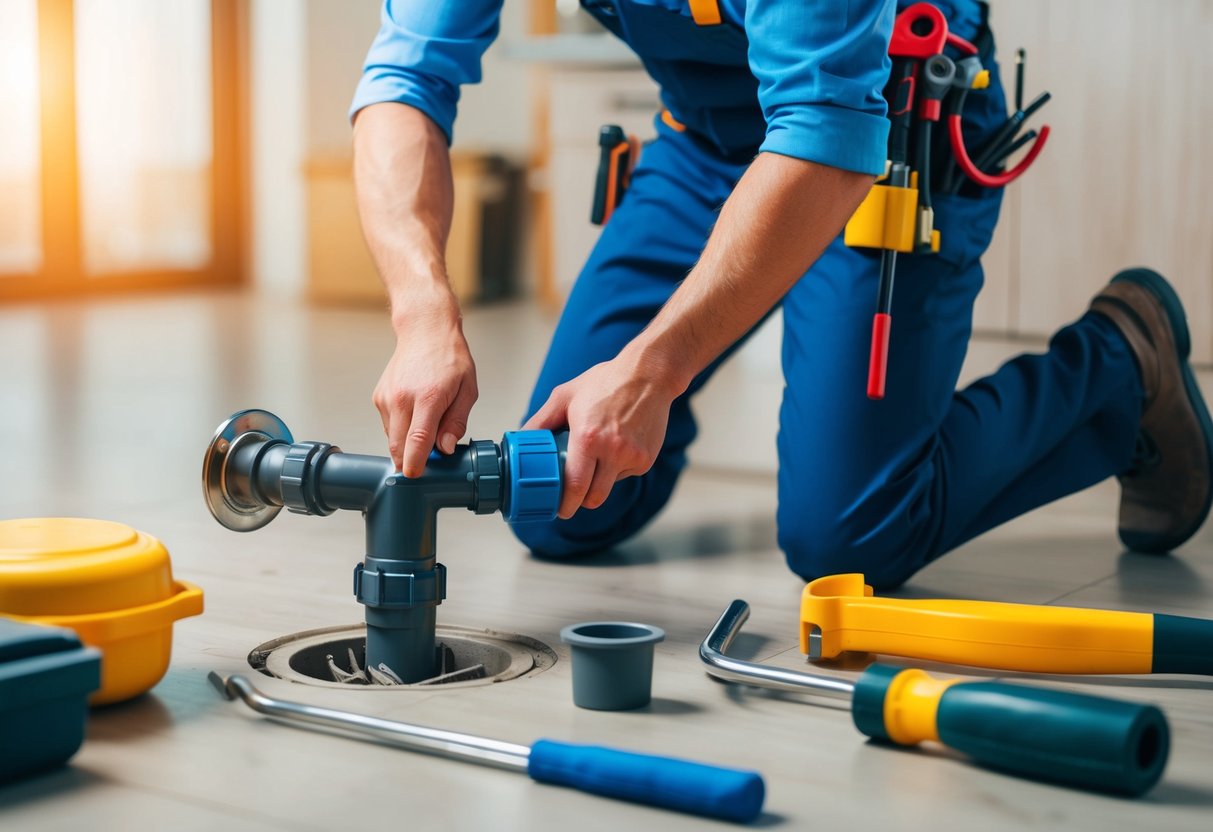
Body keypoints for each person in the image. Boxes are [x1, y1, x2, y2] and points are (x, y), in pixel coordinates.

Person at [349, 0, 1213, 589]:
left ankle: (1118, 366)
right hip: (708, 142)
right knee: (560, 503)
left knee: (847, 539)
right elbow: (404, 82)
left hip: (880, 133)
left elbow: (826, 134)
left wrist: (652, 369)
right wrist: (423, 314)